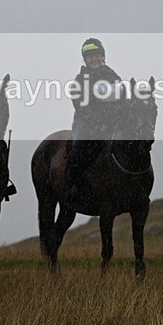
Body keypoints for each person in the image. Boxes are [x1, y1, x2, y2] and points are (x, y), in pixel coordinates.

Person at [64, 38, 123, 204]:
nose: (94, 59)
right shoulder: (79, 81)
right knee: (78, 148)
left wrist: (111, 121)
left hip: (111, 123)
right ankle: (72, 187)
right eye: (90, 56)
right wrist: (99, 123)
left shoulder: (113, 77)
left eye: (96, 55)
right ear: (85, 60)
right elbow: (82, 107)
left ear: (103, 56)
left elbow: (121, 101)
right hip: (86, 124)